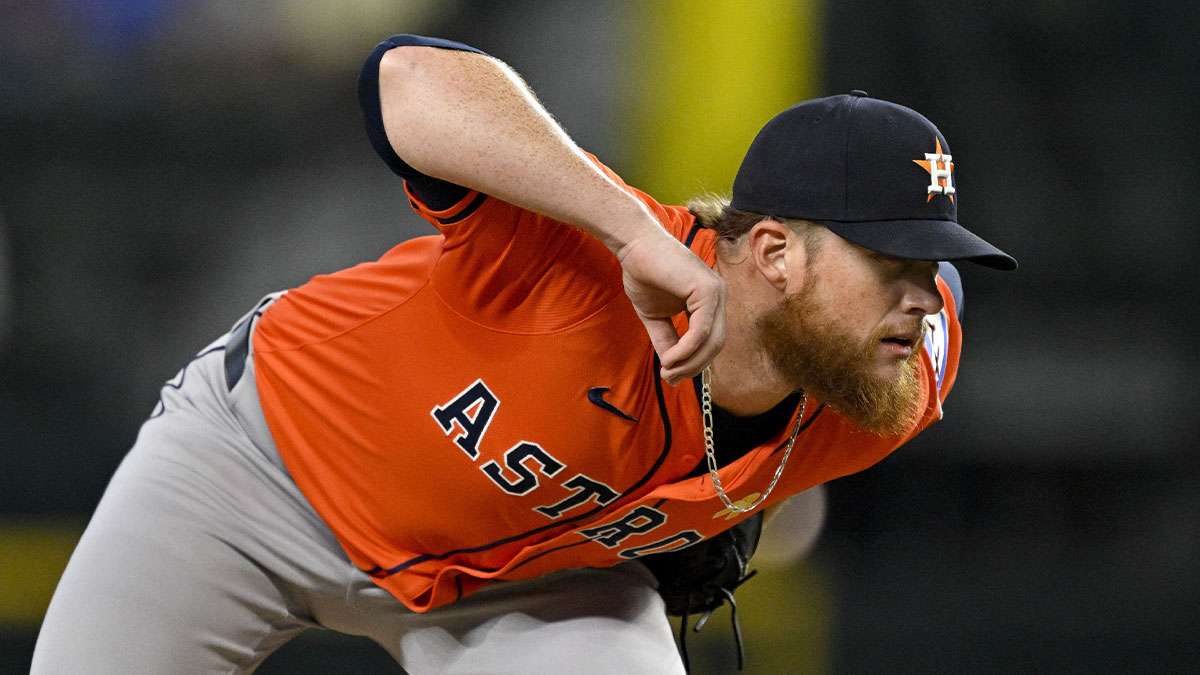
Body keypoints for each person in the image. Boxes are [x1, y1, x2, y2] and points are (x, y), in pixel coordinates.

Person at [31, 34, 1015, 675]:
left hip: (533, 576)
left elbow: (945, 297)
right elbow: (406, 77)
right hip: (252, 476)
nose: (921, 294)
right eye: (892, 262)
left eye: (933, 263)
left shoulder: (903, 369)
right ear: (772, 254)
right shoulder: (580, 258)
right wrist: (625, 222)